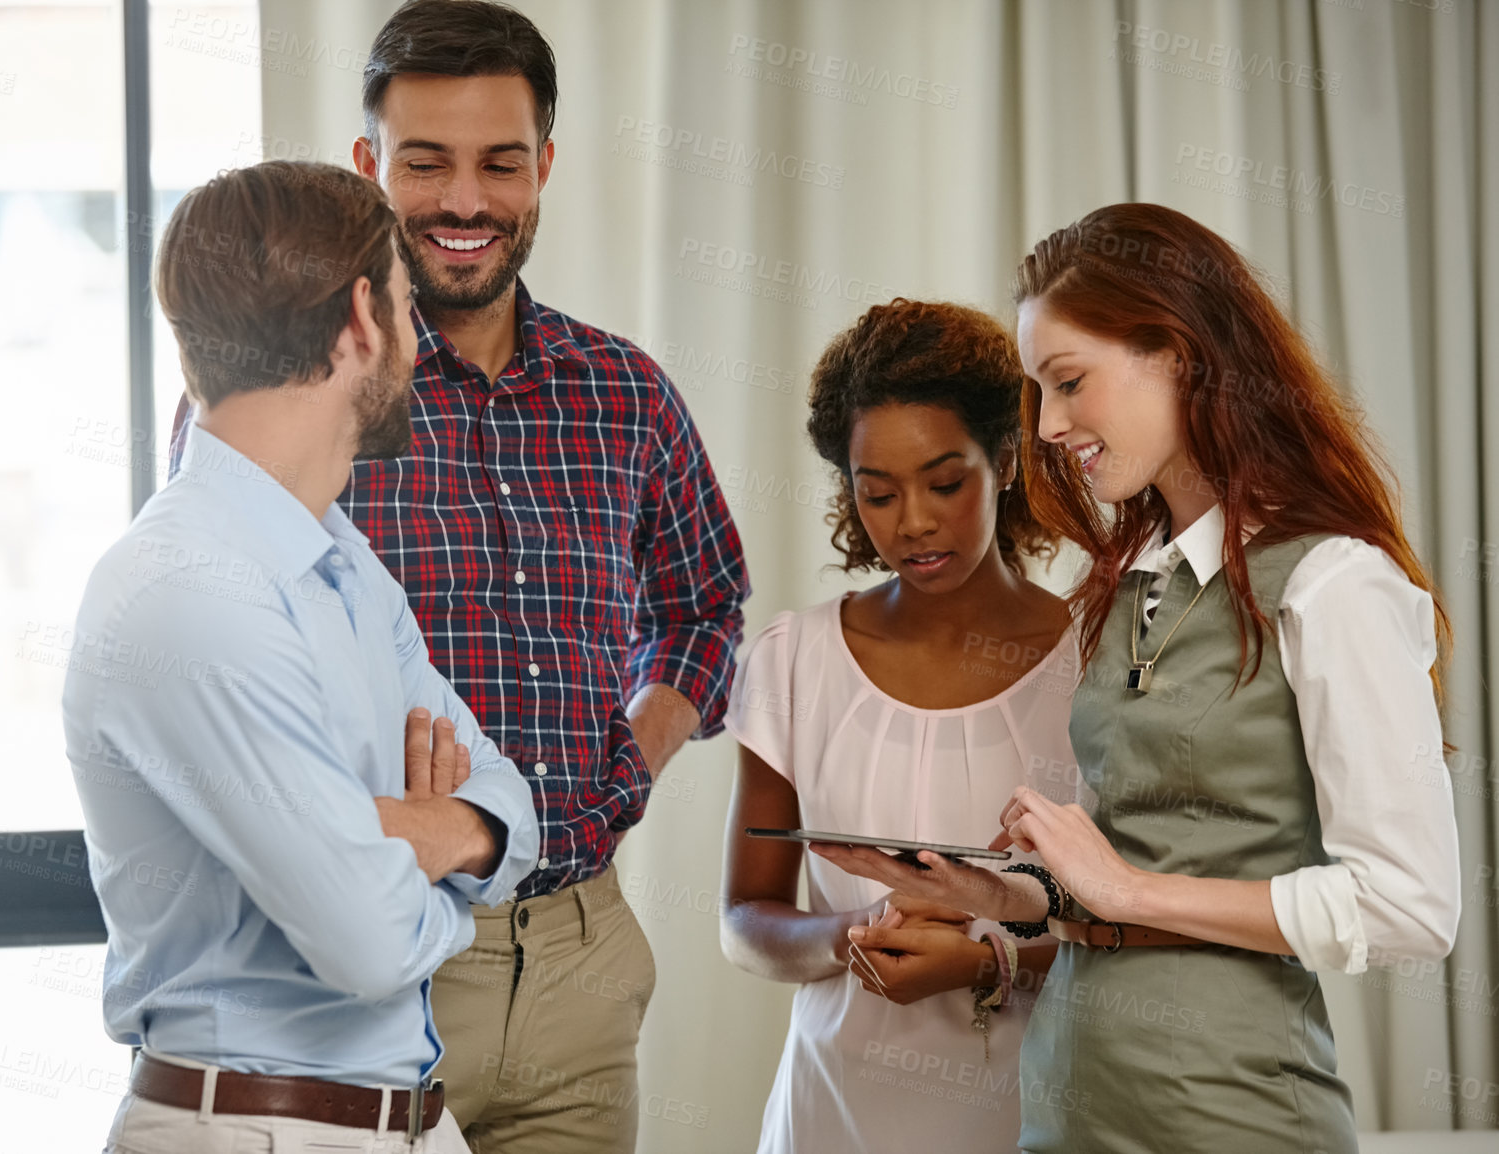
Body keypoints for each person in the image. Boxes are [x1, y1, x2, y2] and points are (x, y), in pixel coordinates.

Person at [165, 3, 747, 1149]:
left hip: (578, 964)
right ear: (369, 166)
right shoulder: (280, 402)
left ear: (545, 169)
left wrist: (633, 748)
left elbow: (703, 599)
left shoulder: (623, 392)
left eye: (501, 163)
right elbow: (204, 644)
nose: (466, 202)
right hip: (363, 961)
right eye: (426, 164)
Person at [815, 203, 1461, 1153]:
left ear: (1179, 353)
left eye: (1070, 384)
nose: (1052, 427)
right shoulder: (1127, 583)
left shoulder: (1331, 585)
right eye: (1040, 393)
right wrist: (1007, 896)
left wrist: (1128, 893)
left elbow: (1410, 906)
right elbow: (1127, 874)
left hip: (1231, 1116)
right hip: (1067, 1105)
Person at [64, 160, 538, 1154]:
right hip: (253, 1128)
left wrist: (415, 832)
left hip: (405, 1121)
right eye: (410, 306)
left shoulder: (345, 564)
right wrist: (439, 855)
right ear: (364, 318)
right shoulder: (186, 591)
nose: (420, 339)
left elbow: (513, 810)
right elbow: (368, 940)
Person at [721, 299, 1081, 1153]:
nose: (912, 521)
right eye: (876, 492)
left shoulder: (1094, 663)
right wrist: (850, 935)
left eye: (944, 483)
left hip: (1034, 1115)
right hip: (829, 1115)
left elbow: (1140, 936)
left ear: (1003, 459)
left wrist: (992, 959)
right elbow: (746, 917)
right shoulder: (795, 657)